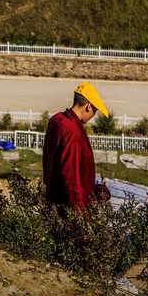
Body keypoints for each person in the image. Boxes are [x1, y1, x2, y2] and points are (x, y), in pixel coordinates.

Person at [42, 82, 109, 211]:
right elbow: (70, 176)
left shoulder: (57, 120)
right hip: (67, 207)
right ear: (89, 106)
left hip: (54, 197)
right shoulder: (71, 130)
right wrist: (79, 216)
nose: (93, 115)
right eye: (94, 111)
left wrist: (92, 189)